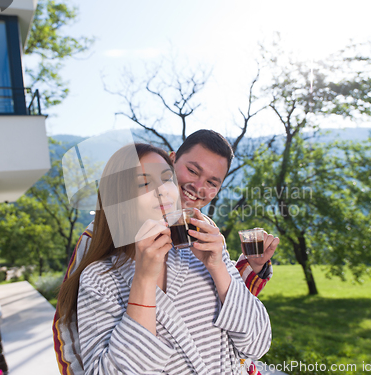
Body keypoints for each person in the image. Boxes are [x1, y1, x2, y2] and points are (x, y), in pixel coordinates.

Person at [53, 130, 279, 374]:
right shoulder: (99, 256)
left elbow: (254, 340)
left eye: (212, 183)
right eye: (192, 171)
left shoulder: (204, 236)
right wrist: (144, 278)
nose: (198, 186)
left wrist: (226, 267)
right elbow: (69, 328)